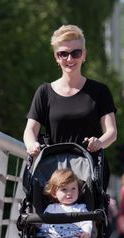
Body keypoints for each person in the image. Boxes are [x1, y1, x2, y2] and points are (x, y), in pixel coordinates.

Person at [23, 24, 117, 190]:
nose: (69, 59)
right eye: (63, 54)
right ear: (56, 58)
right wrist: (32, 144)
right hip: (54, 175)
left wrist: (99, 142)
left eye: (76, 53)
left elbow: (111, 132)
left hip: (90, 173)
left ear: (84, 55)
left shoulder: (100, 91)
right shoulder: (44, 92)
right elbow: (30, 130)